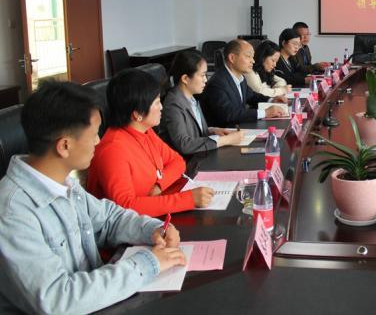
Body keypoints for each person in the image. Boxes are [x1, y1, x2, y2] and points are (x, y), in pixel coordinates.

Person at [0, 81, 187, 314]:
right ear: (64, 146)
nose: (98, 142)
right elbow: (57, 300)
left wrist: (152, 229)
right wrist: (149, 263)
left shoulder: (64, 183)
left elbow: (109, 219)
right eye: (94, 134)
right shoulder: (12, 212)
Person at [88, 69, 215, 217]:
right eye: (157, 103)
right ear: (137, 115)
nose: (161, 107)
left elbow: (177, 161)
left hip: (151, 216)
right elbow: (125, 207)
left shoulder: (145, 131)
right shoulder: (113, 150)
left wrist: (159, 186)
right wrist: (187, 200)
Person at [160, 50, 245, 156]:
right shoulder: (174, 104)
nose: (205, 80)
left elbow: (194, 131)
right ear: (185, 78)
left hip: (201, 155)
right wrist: (226, 140)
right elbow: (184, 144)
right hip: (189, 162)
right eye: (202, 75)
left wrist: (212, 130)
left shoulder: (191, 97)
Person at [202, 39, 287, 126]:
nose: (253, 61)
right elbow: (229, 114)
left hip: (239, 127)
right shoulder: (218, 82)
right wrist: (265, 113)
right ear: (232, 58)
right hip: (226, 131)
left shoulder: (240, 77)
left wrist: (271, 99)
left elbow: (252, 96)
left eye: (252, 57)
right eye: (248, 56)